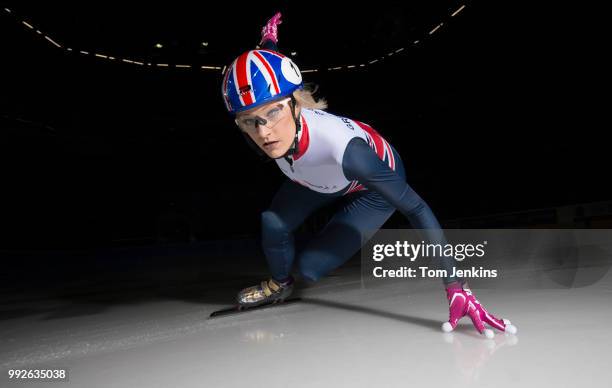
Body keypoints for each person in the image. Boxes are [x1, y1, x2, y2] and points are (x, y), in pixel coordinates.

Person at [220, 12, 517, 337]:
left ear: (294, 104)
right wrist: (269, 38)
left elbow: (417, 209)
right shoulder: (275, 114)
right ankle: (279, 284)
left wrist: (455, 286)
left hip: (370, 185)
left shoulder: (345, 150)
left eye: (272, 112)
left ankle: (298, 274)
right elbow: (269, 58)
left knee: (309, 269)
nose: (264, 133)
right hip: (322, 176)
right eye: (249, 121)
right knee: (272, 223)